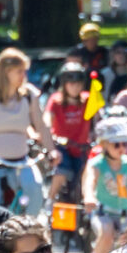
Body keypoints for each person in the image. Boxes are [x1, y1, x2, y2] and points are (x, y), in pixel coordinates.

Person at [78, 114, 127, 253]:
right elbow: (89, 181)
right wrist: (89, 197)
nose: (122, 148)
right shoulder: (97, 163)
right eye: (116, 144)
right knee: (107, 232)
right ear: (104, 144)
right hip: (102, 212)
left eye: (125, 144)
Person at [0, 48, 52, 218]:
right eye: (19, 71)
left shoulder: (29, 95)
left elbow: (41, 125)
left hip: (22, 161)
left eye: (25, 71)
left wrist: (52, 151)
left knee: (36, 192)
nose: (23, 75)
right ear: (6, 72)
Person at [44, 60, 94, 203]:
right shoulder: (56, 100)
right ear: (64, 84)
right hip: (62, 146)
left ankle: (86, 207)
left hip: (82, 147)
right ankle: (50, 200)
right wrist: (47, 132)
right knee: (63, 170)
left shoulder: (88, 99)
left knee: (86, 174)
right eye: (71, 83)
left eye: (78, 83)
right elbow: (47, 119)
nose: (75, 87)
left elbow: (99, 119)